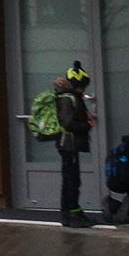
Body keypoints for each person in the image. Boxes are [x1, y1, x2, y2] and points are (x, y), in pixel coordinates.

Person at [51, 63, 95, 224]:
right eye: (83, 87)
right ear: (78, 85)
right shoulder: (68, 98)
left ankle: (68, 213)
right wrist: (87, 126)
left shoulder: (70, 97)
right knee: (72, 180)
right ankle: (73, 213)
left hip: (68, 145)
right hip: (69, 145)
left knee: (69, 179)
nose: (84, 91)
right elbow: (68, 124)